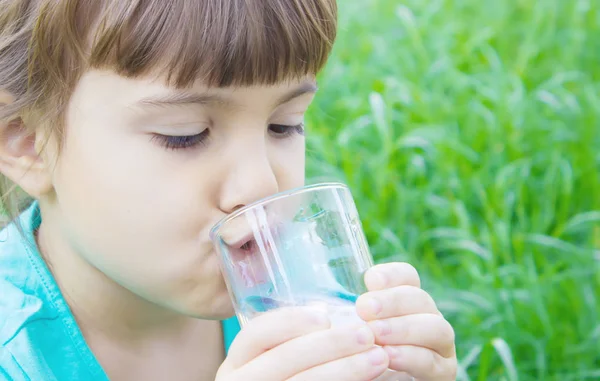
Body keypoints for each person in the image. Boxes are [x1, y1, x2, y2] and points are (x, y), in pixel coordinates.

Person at [0, 1, 457, 380]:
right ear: (26, 143)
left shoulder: (303, 289)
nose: (261, 185)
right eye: (186, 133)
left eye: (284, 124)